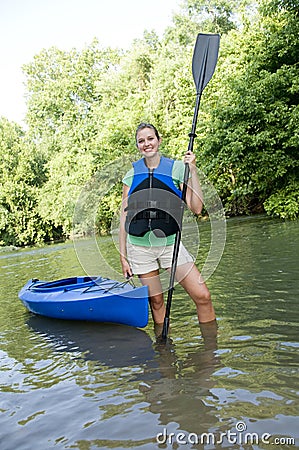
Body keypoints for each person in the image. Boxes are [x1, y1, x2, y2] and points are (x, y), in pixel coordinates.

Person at [119, 123, 216, 331]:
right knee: (157, 302)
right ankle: (165, 354)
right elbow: (123, 217)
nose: (147, 144)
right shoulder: (131, 174)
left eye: (150, 138)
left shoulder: (177, 169)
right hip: (140, 248)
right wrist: (123, 256)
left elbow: (197, 207)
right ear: (137, 146)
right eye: (141, 141)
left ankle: (211, 352)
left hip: (170, 244)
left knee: (203, 296)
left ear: (158, 140)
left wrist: (193, 170)